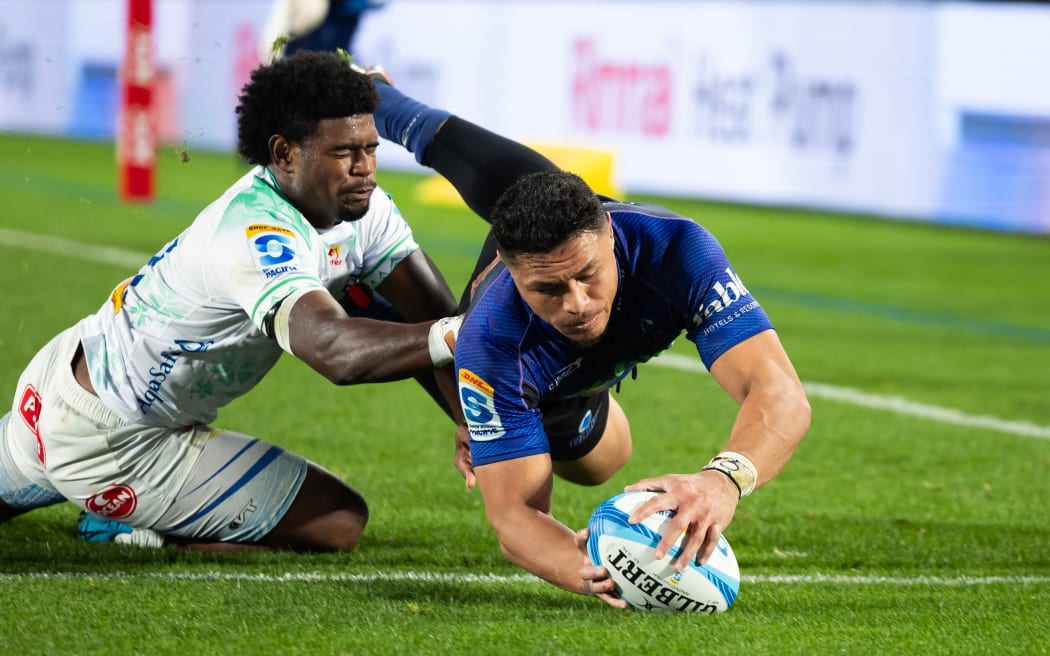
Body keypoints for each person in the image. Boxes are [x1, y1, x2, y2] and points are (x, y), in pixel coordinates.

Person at [366, 67, 811, 608]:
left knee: (480, 157)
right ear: (511, 267)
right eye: (549, 287)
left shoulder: (677, 250)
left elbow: (779, 392)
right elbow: (514, 516)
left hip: (563, 249)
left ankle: (373, 95)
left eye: (587, 274)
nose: (577, 303)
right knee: (593, 460)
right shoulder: (492, 343)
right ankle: (352, 273)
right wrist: (592, 571)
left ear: (607, 230)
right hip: (524, 364)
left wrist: (722, 481)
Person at [0, 51, 464, 553]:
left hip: (68, 383)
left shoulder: (363, 208)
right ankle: (132, 525)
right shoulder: (254, 229)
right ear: (284, 153)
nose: (365, 169)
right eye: (345, 152)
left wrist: (467, 418)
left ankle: (111, 495)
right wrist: (455, 335)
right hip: (114, 440)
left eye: (371, 148)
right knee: (337, 520)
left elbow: (433, 316)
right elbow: (335, 352)